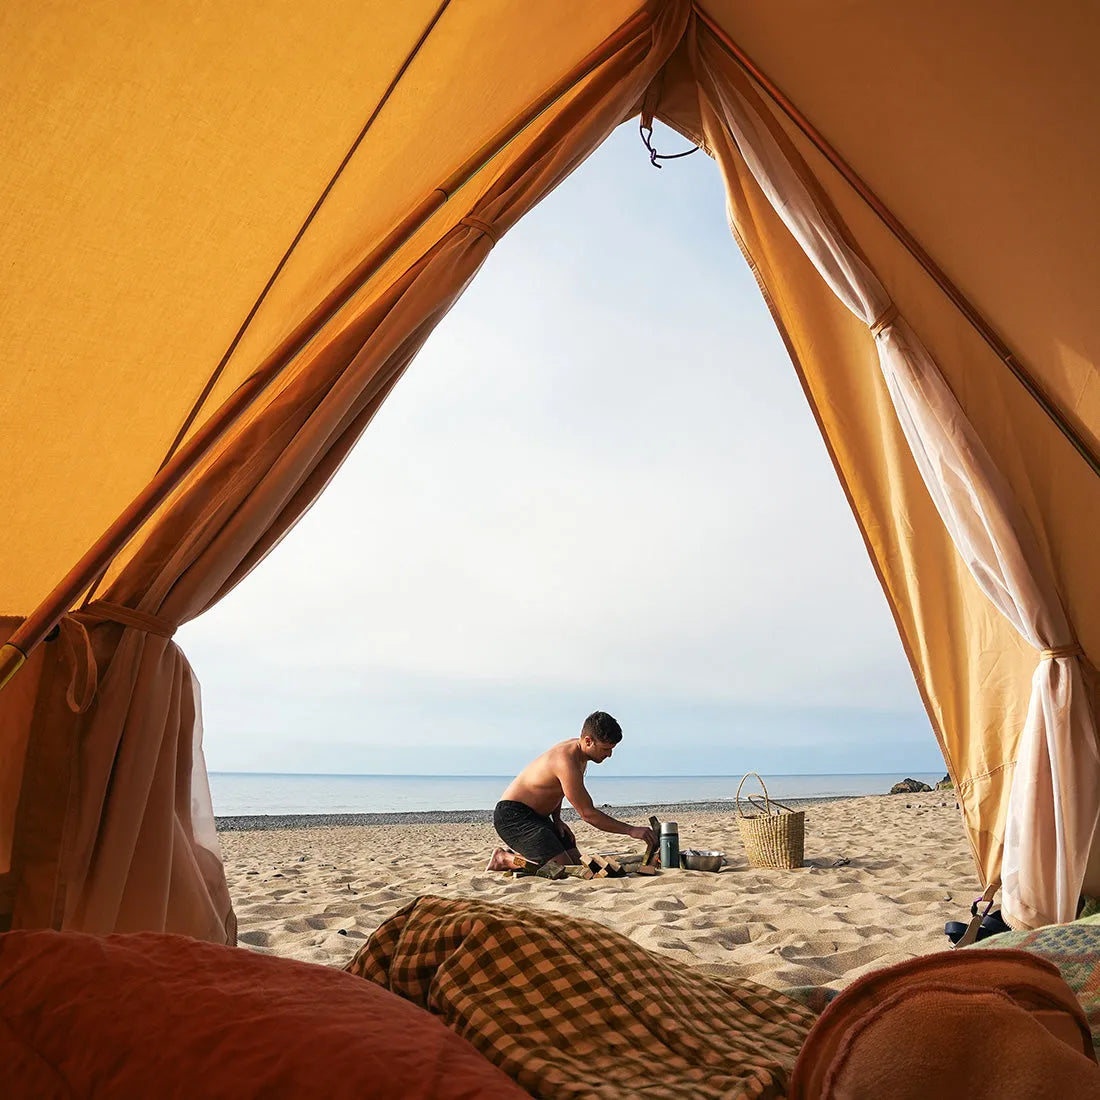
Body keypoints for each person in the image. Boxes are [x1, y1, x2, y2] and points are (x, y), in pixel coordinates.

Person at [487, 711, 658, 870]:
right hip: (513, 817)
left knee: (577, 863)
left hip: (539, 818)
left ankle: (533, 851)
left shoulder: (580, 755)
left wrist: (557, 819)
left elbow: (557, 789)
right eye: (606, 749)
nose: (609, 754)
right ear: (588, 741)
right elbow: (588, 813)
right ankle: (504, 858)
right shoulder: (565, 760)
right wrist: (631, 830)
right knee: (560, 869)